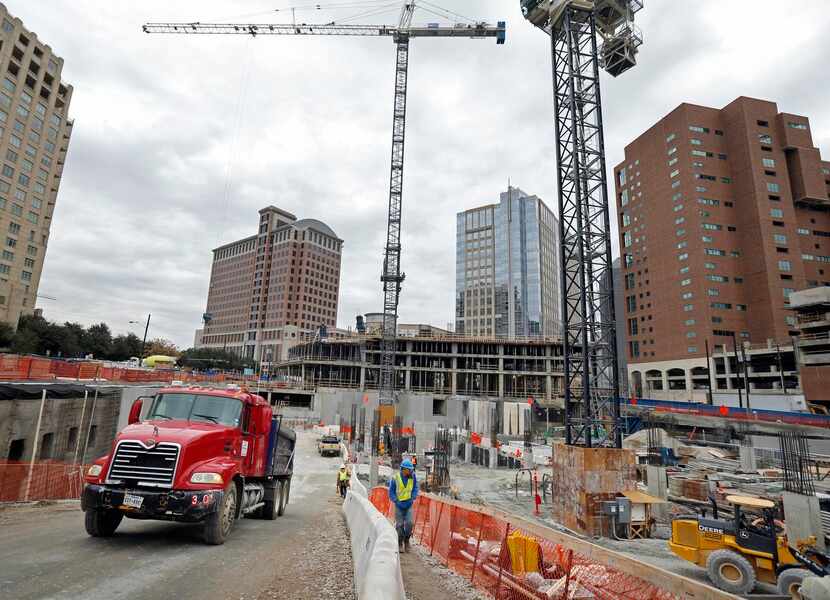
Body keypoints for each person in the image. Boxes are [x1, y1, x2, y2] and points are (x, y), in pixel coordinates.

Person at [388, 459, 418, 553]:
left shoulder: (413, 477)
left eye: (410, 470)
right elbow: (391, 491)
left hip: (408, 504)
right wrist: (395, 500)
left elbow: (415, 487)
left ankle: (407, 540)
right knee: (399, 525)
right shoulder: (395, 478)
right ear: (403, 469)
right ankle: (400, 542)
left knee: (409, 523)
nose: (410, 471)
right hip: (399, 505)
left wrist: (413, 497)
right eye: (408, 470)